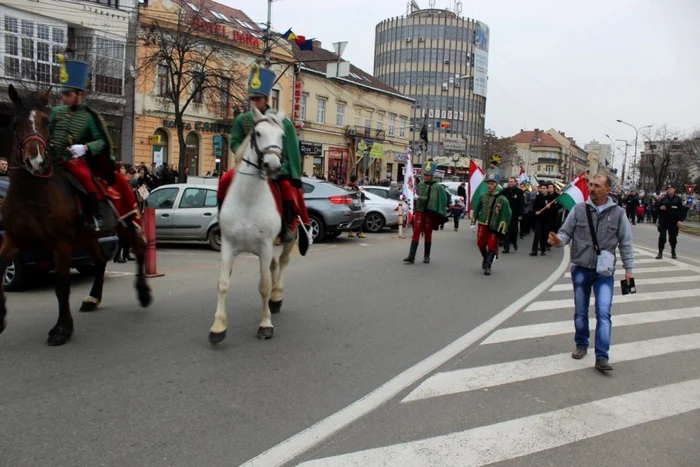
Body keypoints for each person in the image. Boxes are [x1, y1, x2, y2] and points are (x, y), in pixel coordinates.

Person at [548, 174, 634, 372]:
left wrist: (629, 270)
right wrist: (557, 241)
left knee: (604, 312)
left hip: (604, 271)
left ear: (607, 190)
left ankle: (602, 356)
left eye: (597, 186)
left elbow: (626, 243)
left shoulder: (619, 213)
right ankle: (581, 344)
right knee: (580, 310)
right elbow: (565, 233)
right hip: (581, 268)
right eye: (591, 184)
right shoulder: (579, 210)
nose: (592, 188)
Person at [229, 64, 308, 244]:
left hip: (275, 168)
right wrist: (242, 154)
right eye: (252, 99)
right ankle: (223, 221)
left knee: (287, 187)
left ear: (266, 99)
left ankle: (287, 227)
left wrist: (281, 167)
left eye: (258, 99)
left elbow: (290, 153)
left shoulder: (281, 122)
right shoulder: (243, 120)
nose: (254, 102)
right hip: (248, 166)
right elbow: (234, 142)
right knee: (225, 180)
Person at [49, 54, 115, 232]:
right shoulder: (56, 112)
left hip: (73, 159)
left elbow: (102, 141)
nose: (64, 98)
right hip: (53, 157)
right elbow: (48, 132)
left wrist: (85, 147)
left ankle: (95, 215)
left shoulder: (90, 116)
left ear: (80, 94)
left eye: (68, 94)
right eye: (62, 94)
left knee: (85, 177)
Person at [471, 163, 512, 275]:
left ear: (496, 185)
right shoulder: (482, 196)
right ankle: (486, 258)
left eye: (492, 183)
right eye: (488, 183)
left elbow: (507, 213)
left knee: (492, 245)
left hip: (494, 226)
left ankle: (488, 265)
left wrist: (502, 227)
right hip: (482, 224)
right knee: (480, 244)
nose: (489, 185)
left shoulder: (502, 199)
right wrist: (473, 222)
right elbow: (476, 209)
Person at [402, 161, 447, 264]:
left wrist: (419, 198)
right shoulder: (420, 185)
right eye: (425, 175)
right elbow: (413, 195)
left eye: (428, 175)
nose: (426, 177)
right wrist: (408, 196)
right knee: (416, 233)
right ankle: (411, 256)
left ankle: (427, 256)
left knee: (428, 234)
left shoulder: (436, 186)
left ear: (431, 176)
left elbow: (432, 199)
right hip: (419, 211)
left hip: (429, 213)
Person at [655, 185, 686, 259]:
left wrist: (680, 220)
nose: (668, 190)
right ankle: (660, 252)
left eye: (670, 189)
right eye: (667, 189)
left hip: (673, 222)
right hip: (663, 221)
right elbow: (656, 209)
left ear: (674, 190)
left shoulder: (678, 199)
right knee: (662, 237)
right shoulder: (663, 199)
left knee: (673, 238)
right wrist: (660, 208)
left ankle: (673, 251)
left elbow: (682, 211)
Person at [501, 177, 524, 253]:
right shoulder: (504, 191)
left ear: (515, 183)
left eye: (511, 182)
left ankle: (514, 242)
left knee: (514, 231)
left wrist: (521, 214)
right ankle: (506, 248)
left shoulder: (519, 192)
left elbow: (521, 204)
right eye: (509, 182)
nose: (510, 183)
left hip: (515, 215)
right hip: (506, 215)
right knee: (506, 231)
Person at [529, 184, 549, 256]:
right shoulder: (538, 197)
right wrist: (535, 211)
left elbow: (554, 209)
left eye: (544, 188)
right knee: (537, 234)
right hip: (538, 219)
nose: (542, 190)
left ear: (546, 189)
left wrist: (549, 207)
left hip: (546, 219)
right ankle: (534, 250)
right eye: (541, 188)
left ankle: (543, 249)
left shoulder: (550, 198)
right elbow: (534, 207)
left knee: (544, 235)